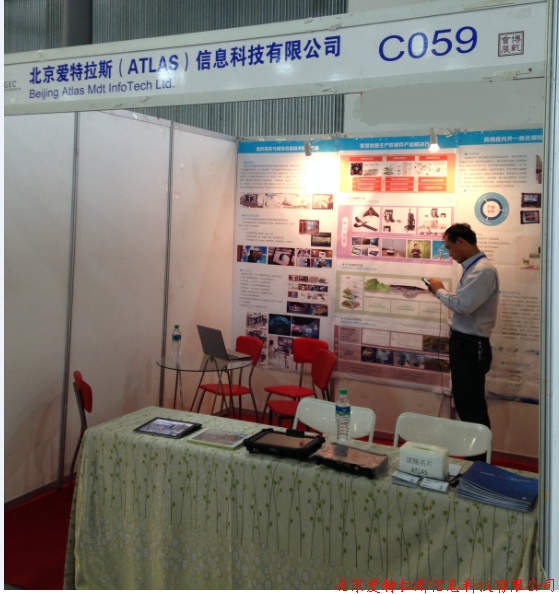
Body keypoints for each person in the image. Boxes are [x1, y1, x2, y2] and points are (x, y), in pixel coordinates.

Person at [427, 223, 499, 432]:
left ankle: (479, 452)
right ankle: (473, 450)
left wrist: (439, 291)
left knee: (471, 408)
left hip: (471, 346)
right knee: (465, 403)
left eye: (449, 247)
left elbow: (463, 306)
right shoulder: (473, 268)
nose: (449, 254)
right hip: (464, 344)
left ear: (461, 242)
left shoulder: (483, 270)